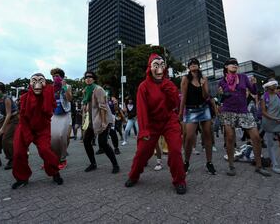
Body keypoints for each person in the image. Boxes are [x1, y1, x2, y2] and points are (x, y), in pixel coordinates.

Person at [125, 54, 186, 194]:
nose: (159, 70)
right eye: (156, 66)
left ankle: (180, 180)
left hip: (169, 120)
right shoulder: (143, 87)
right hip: (151, 123)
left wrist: (171, 92)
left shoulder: (168, 84)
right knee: (142, 152)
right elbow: (141, 110)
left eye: (162, 65)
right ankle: (133, 176)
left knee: (176, 150)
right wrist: (144, 130)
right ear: (150, 68)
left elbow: (175, 105)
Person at [218, 58, 271, 177]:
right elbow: (221, 98)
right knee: (230, 138)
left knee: (256, 137)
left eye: (236, 63)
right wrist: (221, 94)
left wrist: (253, 83)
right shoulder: (222, 81)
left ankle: (259, 166)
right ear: (226, 66)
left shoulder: (243, 77)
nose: (234, 65)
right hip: (228, 111)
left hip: (243, 110)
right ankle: (231, 166)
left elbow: (254, 91)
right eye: (231, 63)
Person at [12, 73, 63, 189]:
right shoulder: (24, 97)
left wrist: (57, 78)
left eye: (41, 80)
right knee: (18, 151)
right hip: (25, 126)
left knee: (45, 150)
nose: (37, 84)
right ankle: (22, 177)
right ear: (30, 84)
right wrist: (27, 134)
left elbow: (58, 86)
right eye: (34, 81)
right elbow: (23, 117)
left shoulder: (48, 93)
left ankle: (55, 172)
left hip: (42, 127)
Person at [179, 58, 216, 175]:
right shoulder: (185, 79)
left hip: (204, 109)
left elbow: (206, 96)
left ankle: (209, 163)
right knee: (189, 137)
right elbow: (183, 97)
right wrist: (180, 113)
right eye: (191, 64)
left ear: (199, 66)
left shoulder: (203, 79)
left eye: (195, 64)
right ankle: (186, 162)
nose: (193, 65)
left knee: (207, 135)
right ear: (189, 67)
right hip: (191, 110)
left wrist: (203, 85)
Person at [82, 71, 120, 173]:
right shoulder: (86, 90)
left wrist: (103, 122)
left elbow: (103, 107)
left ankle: (115, 165)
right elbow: (86, 104)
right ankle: (93, 164)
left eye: (90, 77)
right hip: (92, 120)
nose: (88, 78)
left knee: (103, 143)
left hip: (103, 119)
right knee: (86, 141)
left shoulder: (98, 89)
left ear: (94, 79)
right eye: (86, 77)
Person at [50, 68, 73, 169]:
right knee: (52, 138)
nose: (55, 78)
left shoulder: (67, 86)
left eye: (57, 76)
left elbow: (69, 99)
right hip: (54, 114)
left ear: (62, 77)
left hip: (65, 114)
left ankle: (63, 159)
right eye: (53, 76)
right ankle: (52, 159)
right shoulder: (51, 87)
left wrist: (64, 87)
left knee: (61, 137)